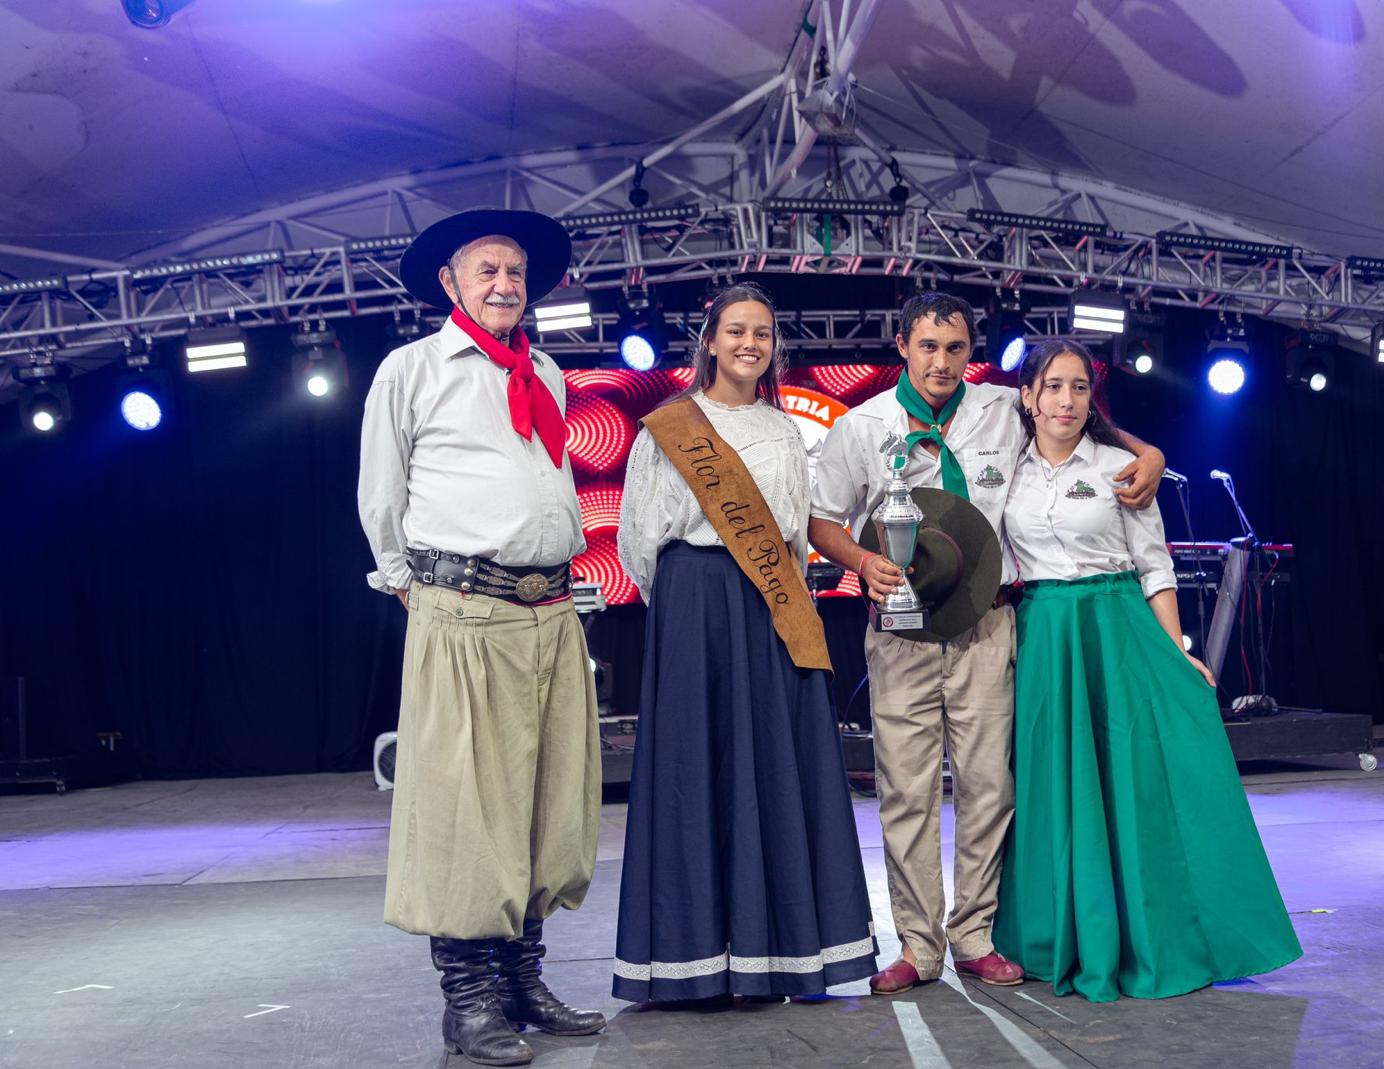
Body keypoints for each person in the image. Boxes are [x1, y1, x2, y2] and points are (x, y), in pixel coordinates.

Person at [807, 293, 1167, 995]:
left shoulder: (1002, 408)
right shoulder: (861, 427)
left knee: (988, 785)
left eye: (954, 348)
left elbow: (1083, 419)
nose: (941, 362)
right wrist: (861, 561)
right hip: (901, 631)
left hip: (988, 623)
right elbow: (822, 521)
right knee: (906, 790)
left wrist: (1148, 450)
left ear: (970, 352)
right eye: (928, 347)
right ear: (903, 347)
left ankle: (974, 933)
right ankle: (917, 942)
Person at [358, 209, 605, 1066]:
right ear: (451, 283)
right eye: (488, 270)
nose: (505, 283)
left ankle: (520, 983)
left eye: (516, 272)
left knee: (545, 805)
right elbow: (381, 497)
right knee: (469, 811)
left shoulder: (542, 370)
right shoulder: (413, 369)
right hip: (464, 609)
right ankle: (467, 1004)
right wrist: (414, 587)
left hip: (549, 610)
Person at [992, 339, 1303, 1002]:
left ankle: (1155, 933)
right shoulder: (1005, 467)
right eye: (1052, 387)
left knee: (1134, 783)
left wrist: (1176, 650)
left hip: (1116, 626)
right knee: (1054, 785)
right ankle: (1060, 936)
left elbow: (1154, 564)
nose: (1066, 401)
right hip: (1042, 631)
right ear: (1027, 395)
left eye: (1079, 388)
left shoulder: (1121, 466)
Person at [612, 282, 878, 1003]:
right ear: (710, 340)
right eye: (735, 331)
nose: (748, 344)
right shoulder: (666, 427)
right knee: (697, 768)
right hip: (694, 603)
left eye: (761, 333)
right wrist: (690, 604)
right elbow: (639, 540)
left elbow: (793, 531)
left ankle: (779, 955)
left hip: (770, 608)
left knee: (770, 771)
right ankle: (696, 958)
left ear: (773, 346)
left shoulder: (786, 429)